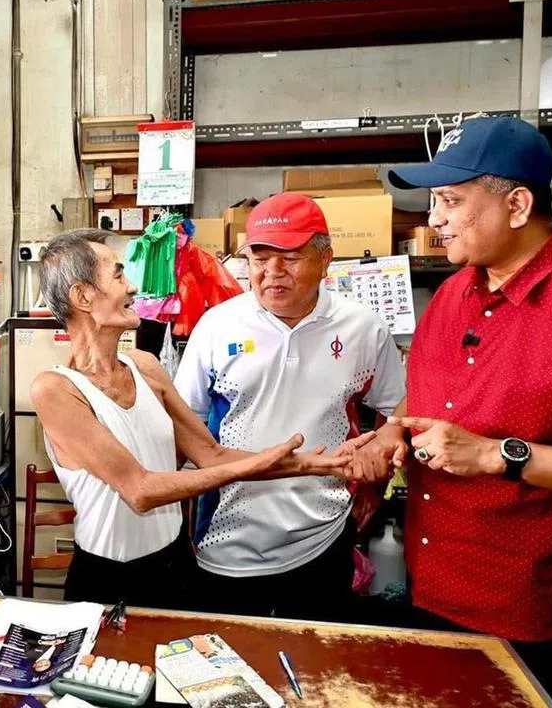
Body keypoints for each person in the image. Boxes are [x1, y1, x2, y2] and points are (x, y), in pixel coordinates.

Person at [385, 115, 552, 707]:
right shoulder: (454, 293)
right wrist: (391, 433)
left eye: (451, 201)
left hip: (536, 612)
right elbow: (435, 391)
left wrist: (495, 455)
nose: (434, 220)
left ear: (517, 204)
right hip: (431, 586)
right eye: (434, 201)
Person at [30, 229, 377, 609]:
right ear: (83, 296)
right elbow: (141, 490)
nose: (131, 287)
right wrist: (256, 464)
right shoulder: (56, 390)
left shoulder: (145, 367)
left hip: (175, 564)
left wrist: (316, 464)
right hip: (109, 579)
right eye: (117, 275)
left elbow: (210, 453)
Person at [173, 193, 407, 620]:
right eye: (260, 258)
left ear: (326, 259)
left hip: (323, 541)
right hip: (225, 545)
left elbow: (397, 411)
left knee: (317, 672)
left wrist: (375, 477)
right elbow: (183, 424)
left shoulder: (362, 330)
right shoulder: (217, 326)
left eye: (291, 257)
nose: (272, 272)